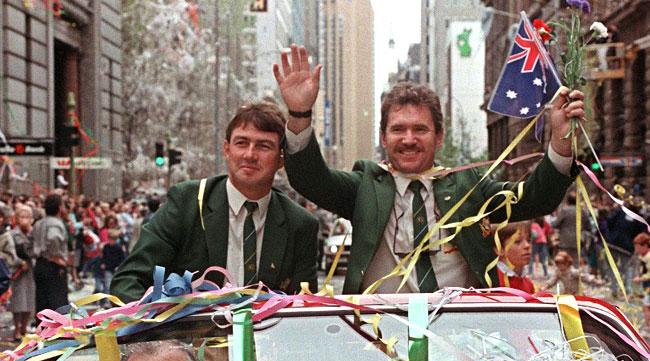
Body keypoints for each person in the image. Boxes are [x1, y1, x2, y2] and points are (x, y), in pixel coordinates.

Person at [274, 44, 583, 294]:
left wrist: (560, 141)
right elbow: (309, 179)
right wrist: (299, 113)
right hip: (378, 339)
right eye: (398, 130)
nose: (408, 139)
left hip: (459, 342)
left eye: (419, 129)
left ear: (438, 137)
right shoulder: (366, 186)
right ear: (384, 137)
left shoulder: (467, 185)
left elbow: (534, 198)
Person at [111, 103, 319, 302]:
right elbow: (128, 282)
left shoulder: (300, 225)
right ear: (227, 149)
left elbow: (304, 307)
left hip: (266, 337)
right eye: (241, 143)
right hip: (187, 336)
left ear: (281, 159)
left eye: (263, 146)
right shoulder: (187, 203)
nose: (250, 155)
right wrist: (164, 328)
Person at [32, 193, 69, 315]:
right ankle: (58, 332)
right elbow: (53, 238)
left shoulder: (38, 223)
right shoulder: (56, 223)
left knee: (42, 301)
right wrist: (56, 256)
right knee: (56, 302)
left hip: (39, 264)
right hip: (53, 266)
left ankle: (43, 331)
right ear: (59, 207)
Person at [8, 205, 35, 340]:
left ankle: (25, 327)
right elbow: (9, 252)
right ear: (17, 219)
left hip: (31, 269)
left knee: (29, 299)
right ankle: (17, 329)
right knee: (18, 301)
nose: (25, 220)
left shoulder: (34, 233)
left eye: (27, 217)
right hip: (17, 270)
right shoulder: (12, 234)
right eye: (22, 217)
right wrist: (19, 262)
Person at [494, 221, 535, 293]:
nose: (527, 245)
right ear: (499, 249)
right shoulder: (493, 284)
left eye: (528, 240)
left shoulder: (529, 284)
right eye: (518, 241)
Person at [632, 233, 650, 336]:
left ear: (644, 246)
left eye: (637, 247)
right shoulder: (643, 256)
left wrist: (640, 278)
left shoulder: (648, 257)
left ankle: (648, 328)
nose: (636, 250)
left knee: (646, 306)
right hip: (646, 285)